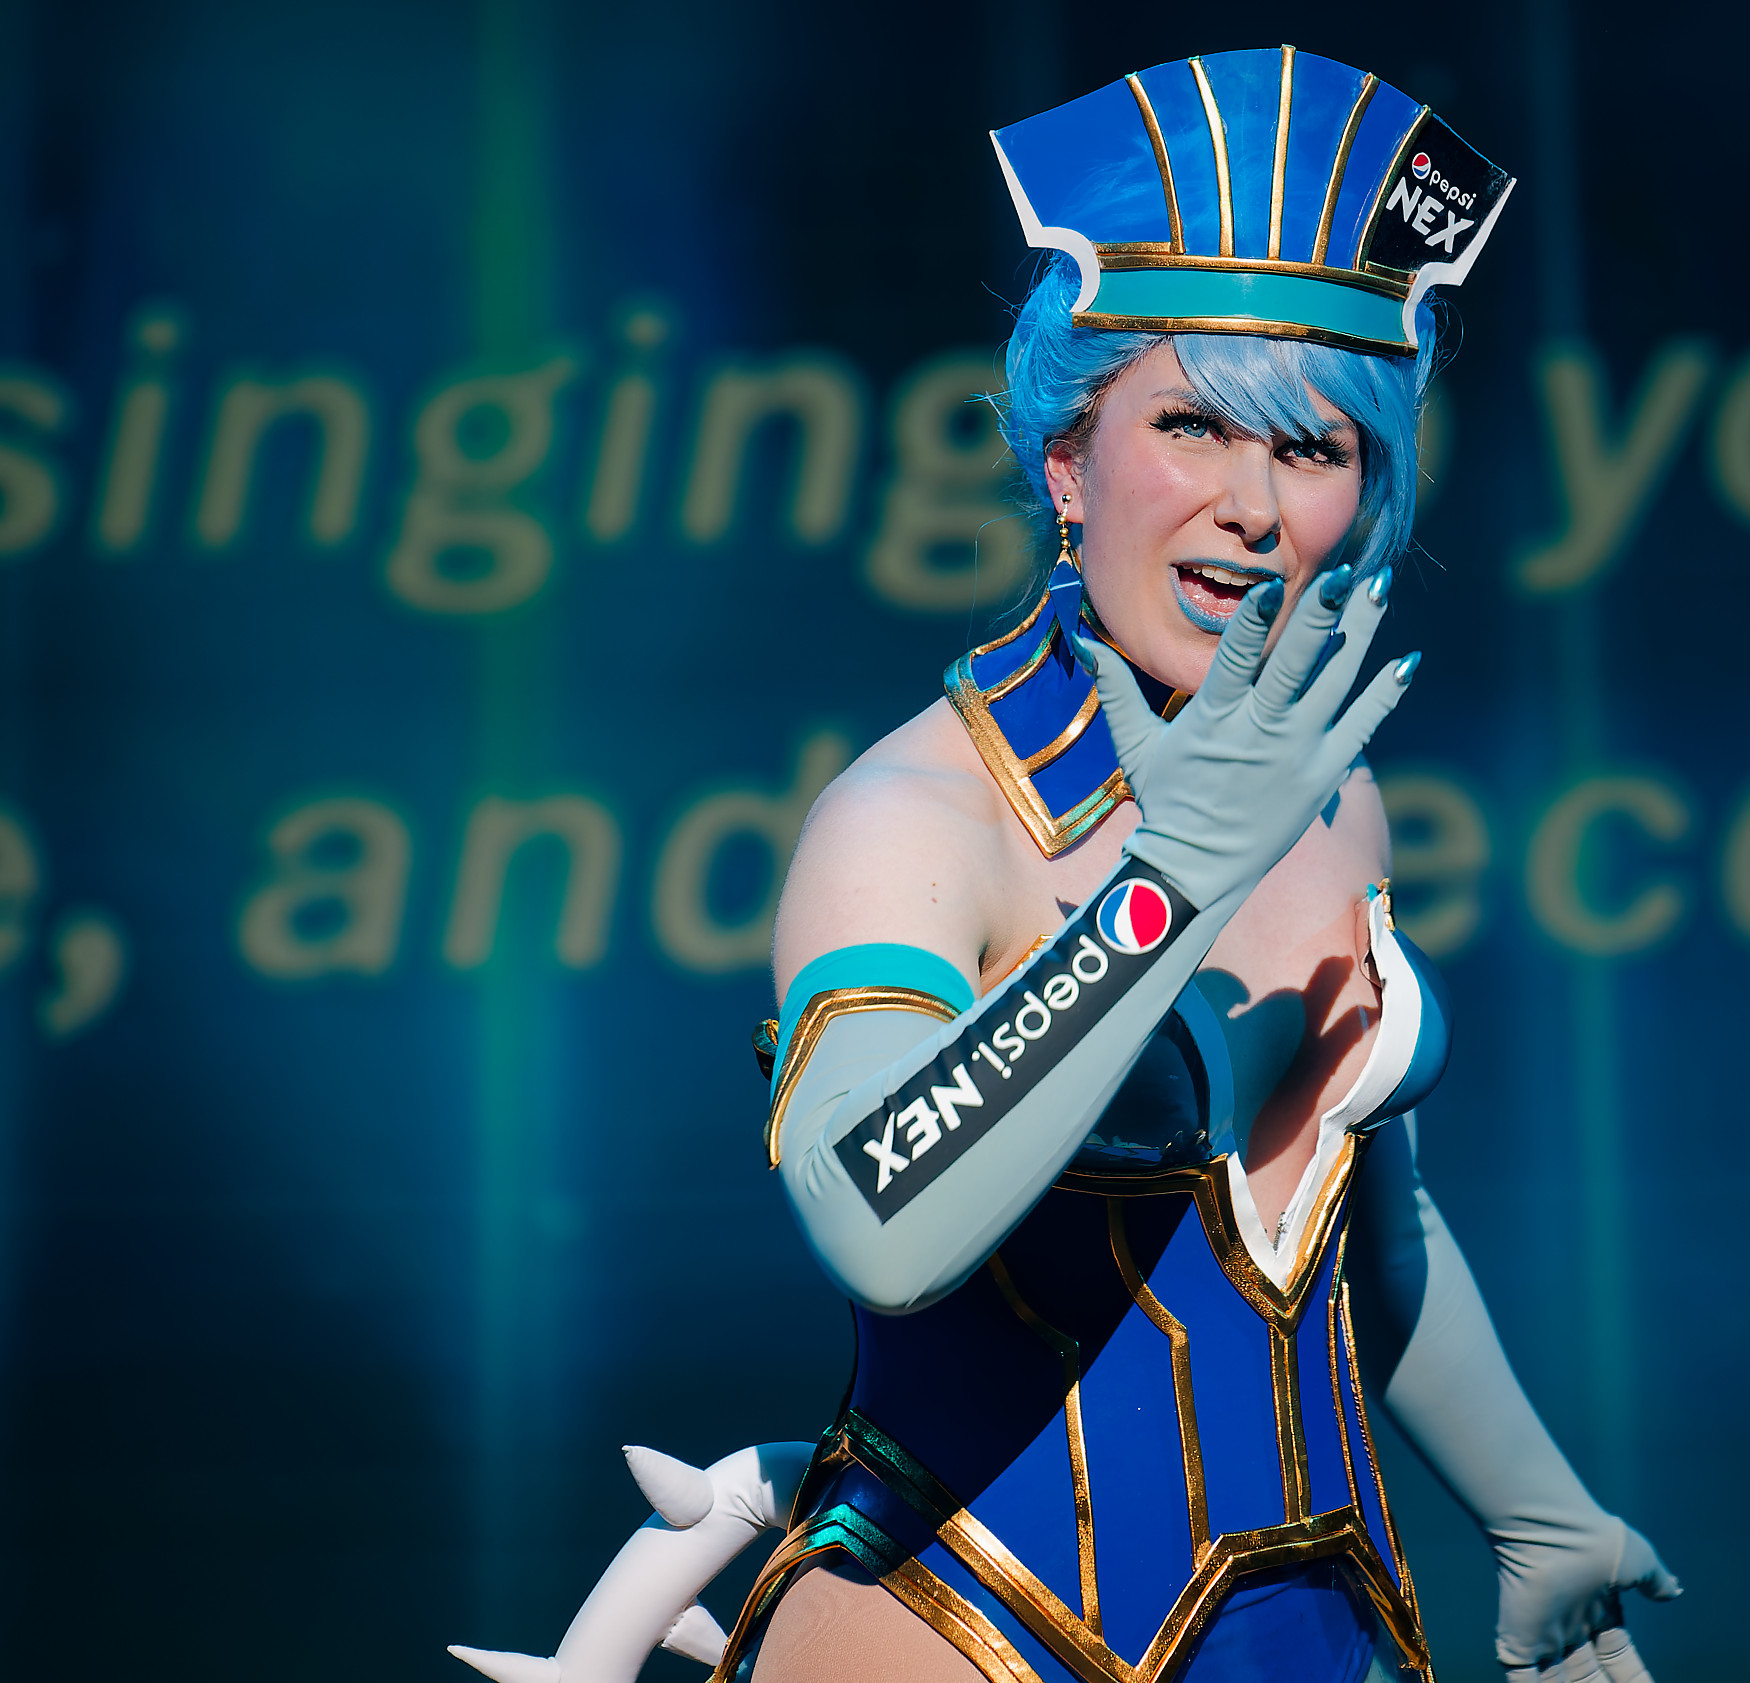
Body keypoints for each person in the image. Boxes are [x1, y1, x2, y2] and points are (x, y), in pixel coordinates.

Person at [449, 47, 1674, 1683]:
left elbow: (1355, 1224)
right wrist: (1164, 891)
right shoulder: (913, 821)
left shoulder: (1336, 800)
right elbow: (875, 1219)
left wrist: (1535, 1518)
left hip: (1324, 1625)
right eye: (1193, 424)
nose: (1252, 507)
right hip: (956, 1632)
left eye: (1314, 450)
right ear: (1065, 460)